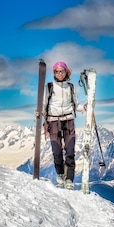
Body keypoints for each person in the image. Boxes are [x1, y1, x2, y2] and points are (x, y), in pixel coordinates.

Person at [43, 61, 86, 189]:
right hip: (53, 121)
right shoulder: (49, 87)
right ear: (54, 73)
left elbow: (75, 105)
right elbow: (43, 103)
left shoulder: (71, 87)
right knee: (56, 152)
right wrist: (41, 112)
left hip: (68, 120)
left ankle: (69, 179)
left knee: (70, 151)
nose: (59, 74)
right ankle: (60, 174)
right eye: (57, 71)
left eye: (61, 71)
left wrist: (84, 107)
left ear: (66, 72)